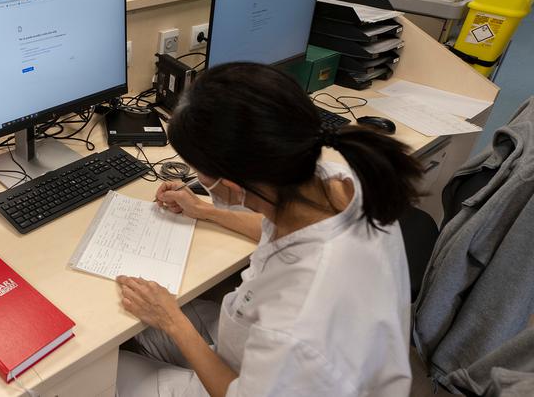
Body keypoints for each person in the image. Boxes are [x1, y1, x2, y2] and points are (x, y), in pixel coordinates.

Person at [115, 63, 423, 396]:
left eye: (200, 175)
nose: (199, 181)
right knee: (138, 326)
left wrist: (173, 322)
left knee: (101, 374)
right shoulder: (332, 180)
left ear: (232, 185)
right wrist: (204, 210)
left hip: (259, 381)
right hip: (272, 354)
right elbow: (285, 229)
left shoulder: (298, 317)